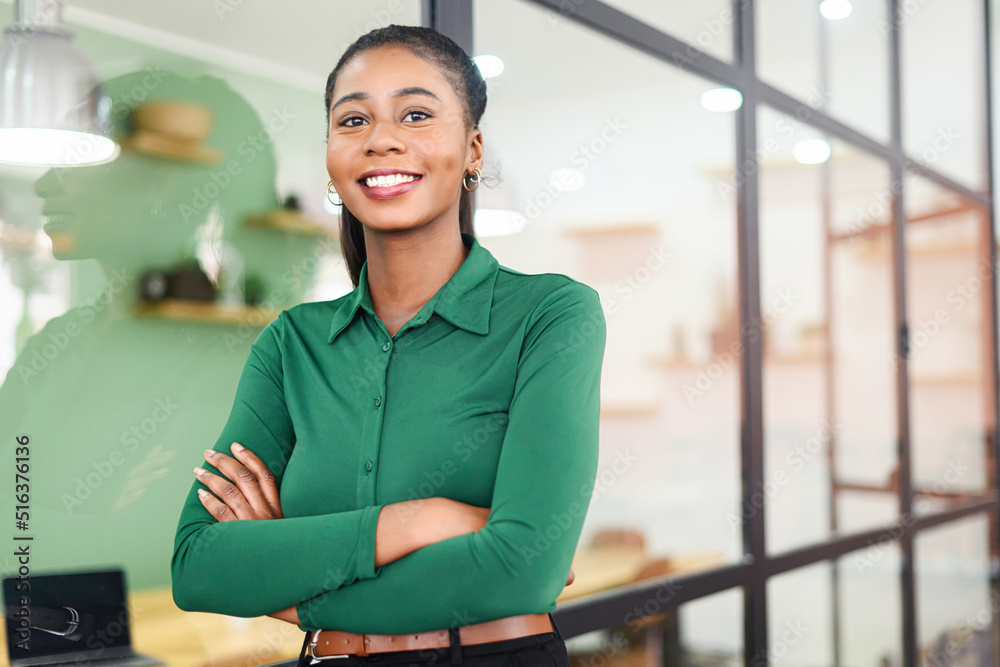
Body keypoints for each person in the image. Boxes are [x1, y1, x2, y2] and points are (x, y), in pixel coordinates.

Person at [170, 24, 607, 667]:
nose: (382, 139)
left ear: (473, 149)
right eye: (353, 121)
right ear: (329, 155)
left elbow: (521, 571)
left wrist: (286, 583)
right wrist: (421, 519)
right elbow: (197, 567)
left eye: (416, 114)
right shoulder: (292, 344)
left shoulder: (550, 315)